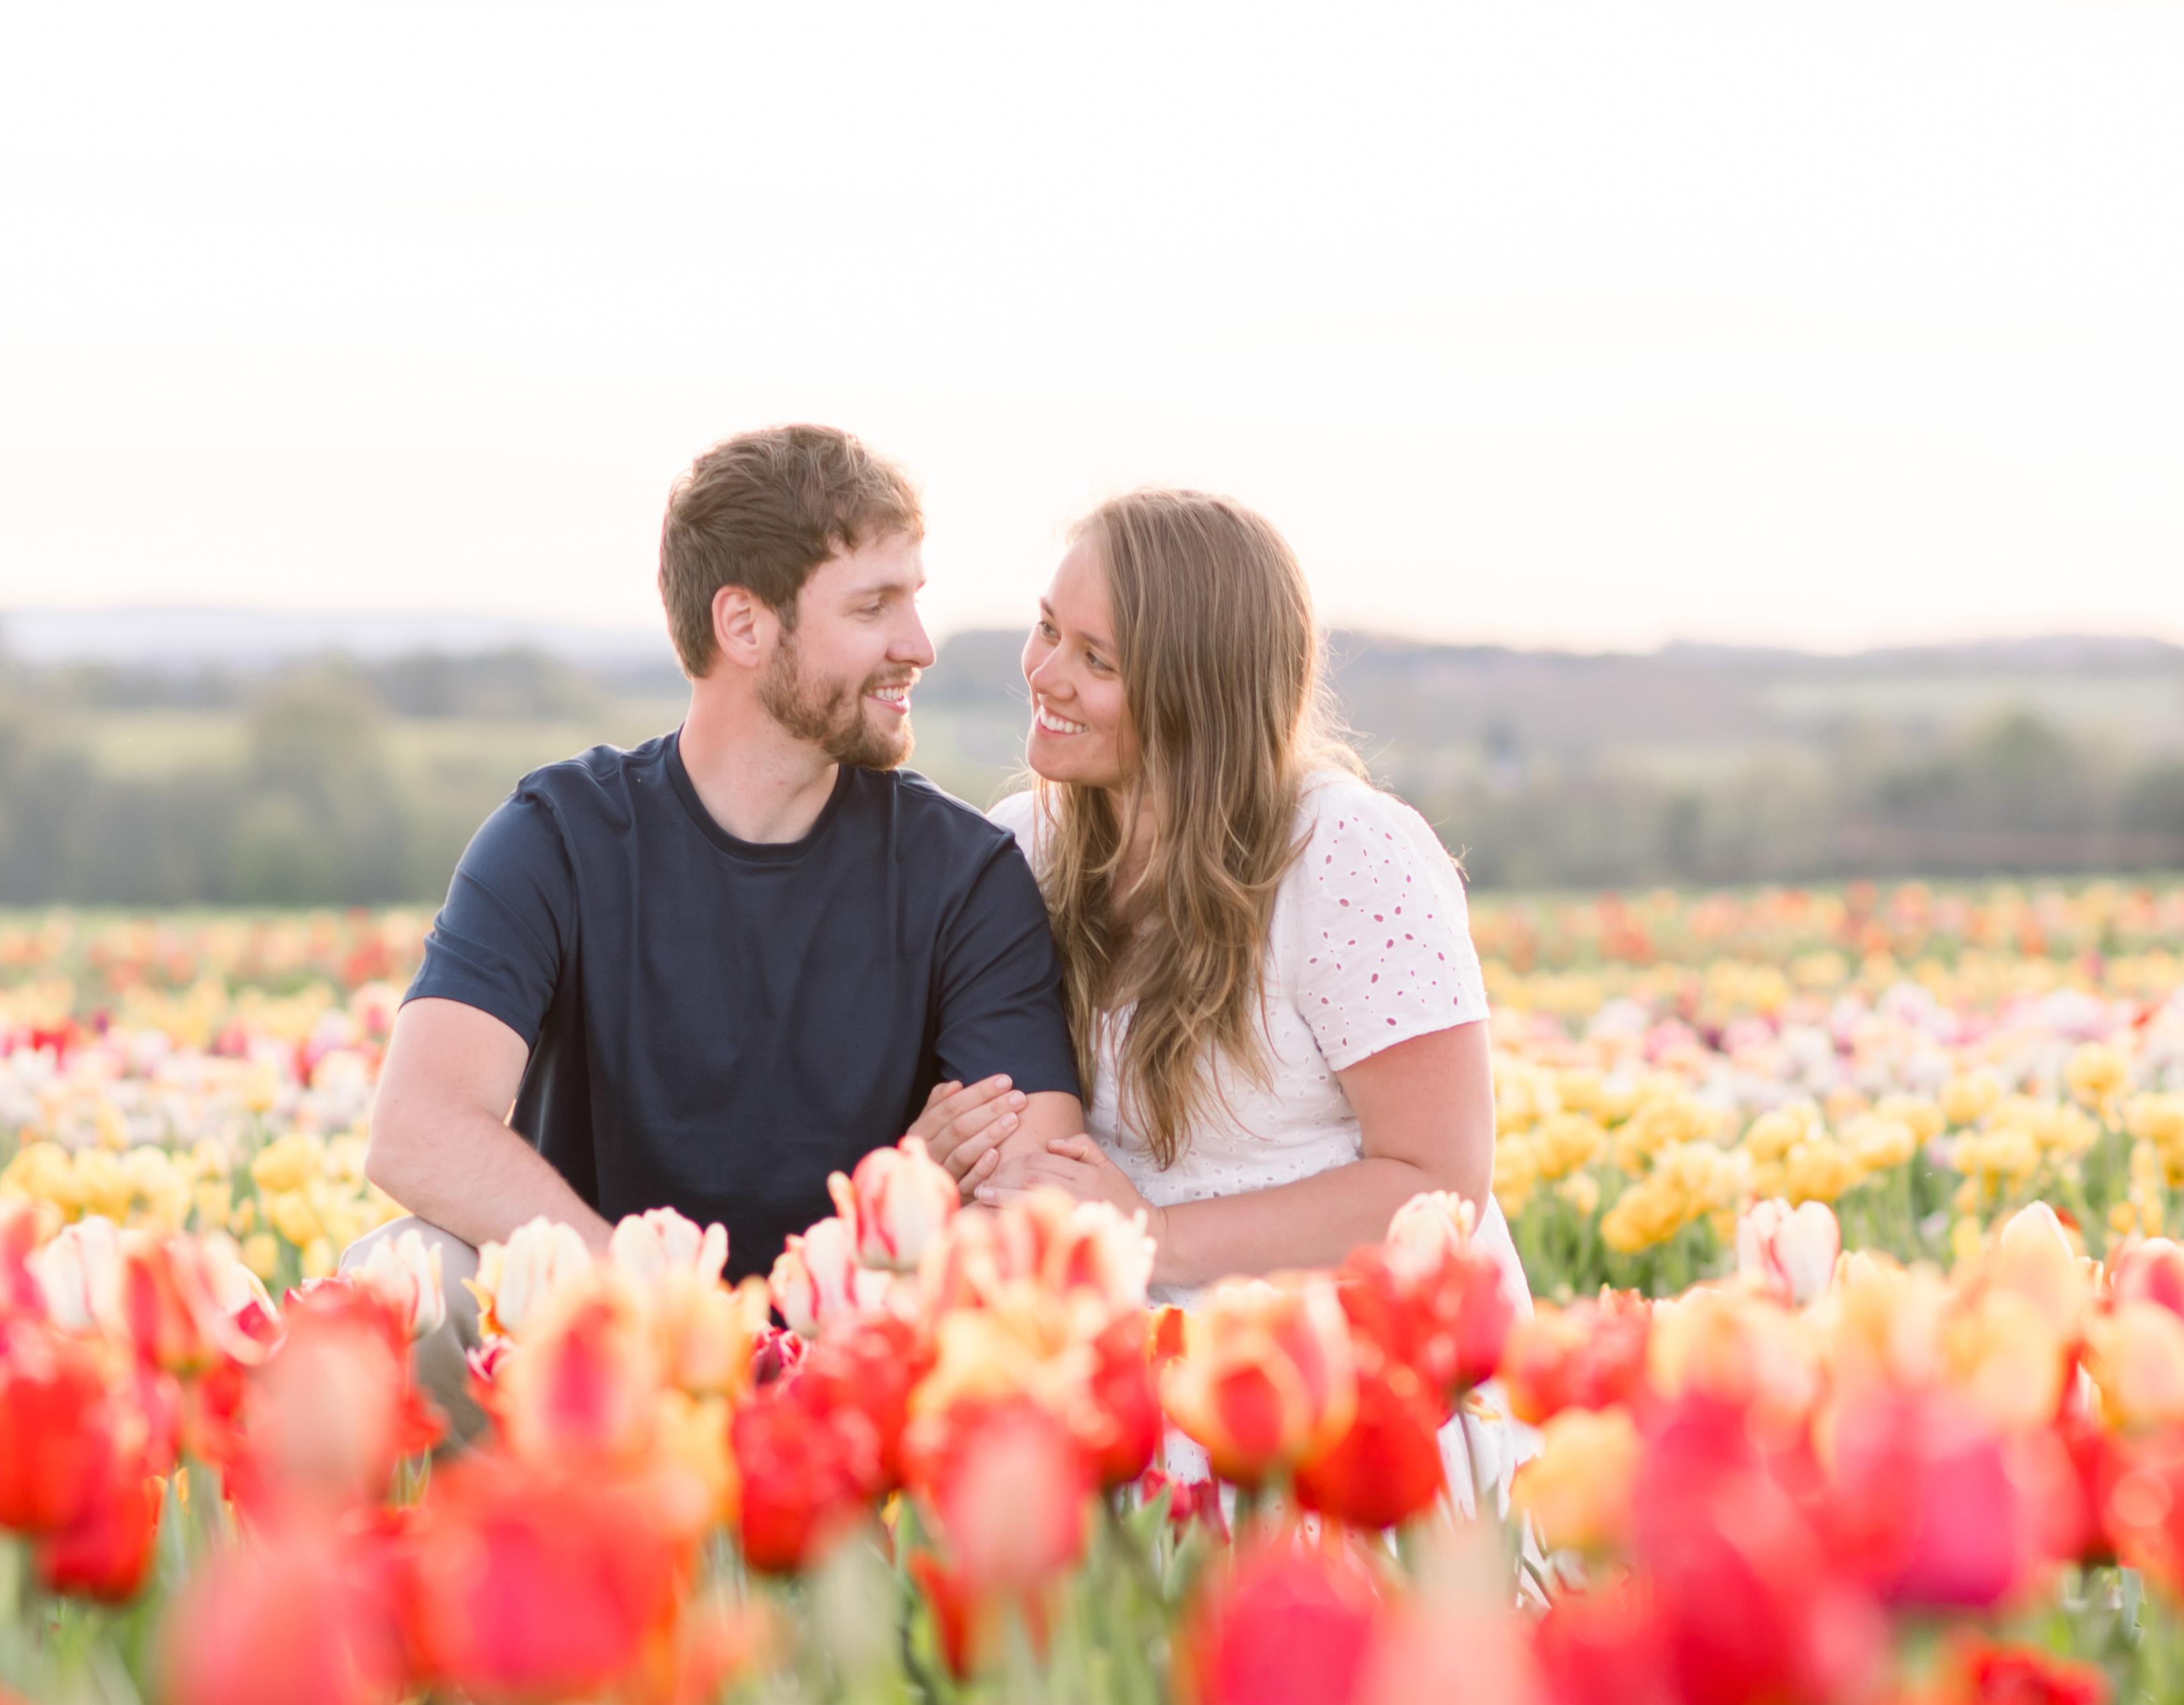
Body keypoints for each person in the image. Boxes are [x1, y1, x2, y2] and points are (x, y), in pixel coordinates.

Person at [356, 425, 1087, 1419]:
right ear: (744, 626)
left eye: (914, 600)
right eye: (874, 606)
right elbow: (417, 1129)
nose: (917, 645)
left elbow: (1032, 1180)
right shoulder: (560, 836)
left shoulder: (965, 875)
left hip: (862, 1348)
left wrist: (871, 1235)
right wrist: (661, 1300)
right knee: (401, 1278)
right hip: (602, 1347)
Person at [921, 487, 1531, 1494]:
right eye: (1045, 630)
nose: (1044, 674)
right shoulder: (1025, 850)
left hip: (1342, 1395)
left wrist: (1157, 1236)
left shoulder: (1344, 854)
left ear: (1196, 691)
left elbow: (1438, 1183)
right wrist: (939, 1152)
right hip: (1129, 1400)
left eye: (1096, 659)